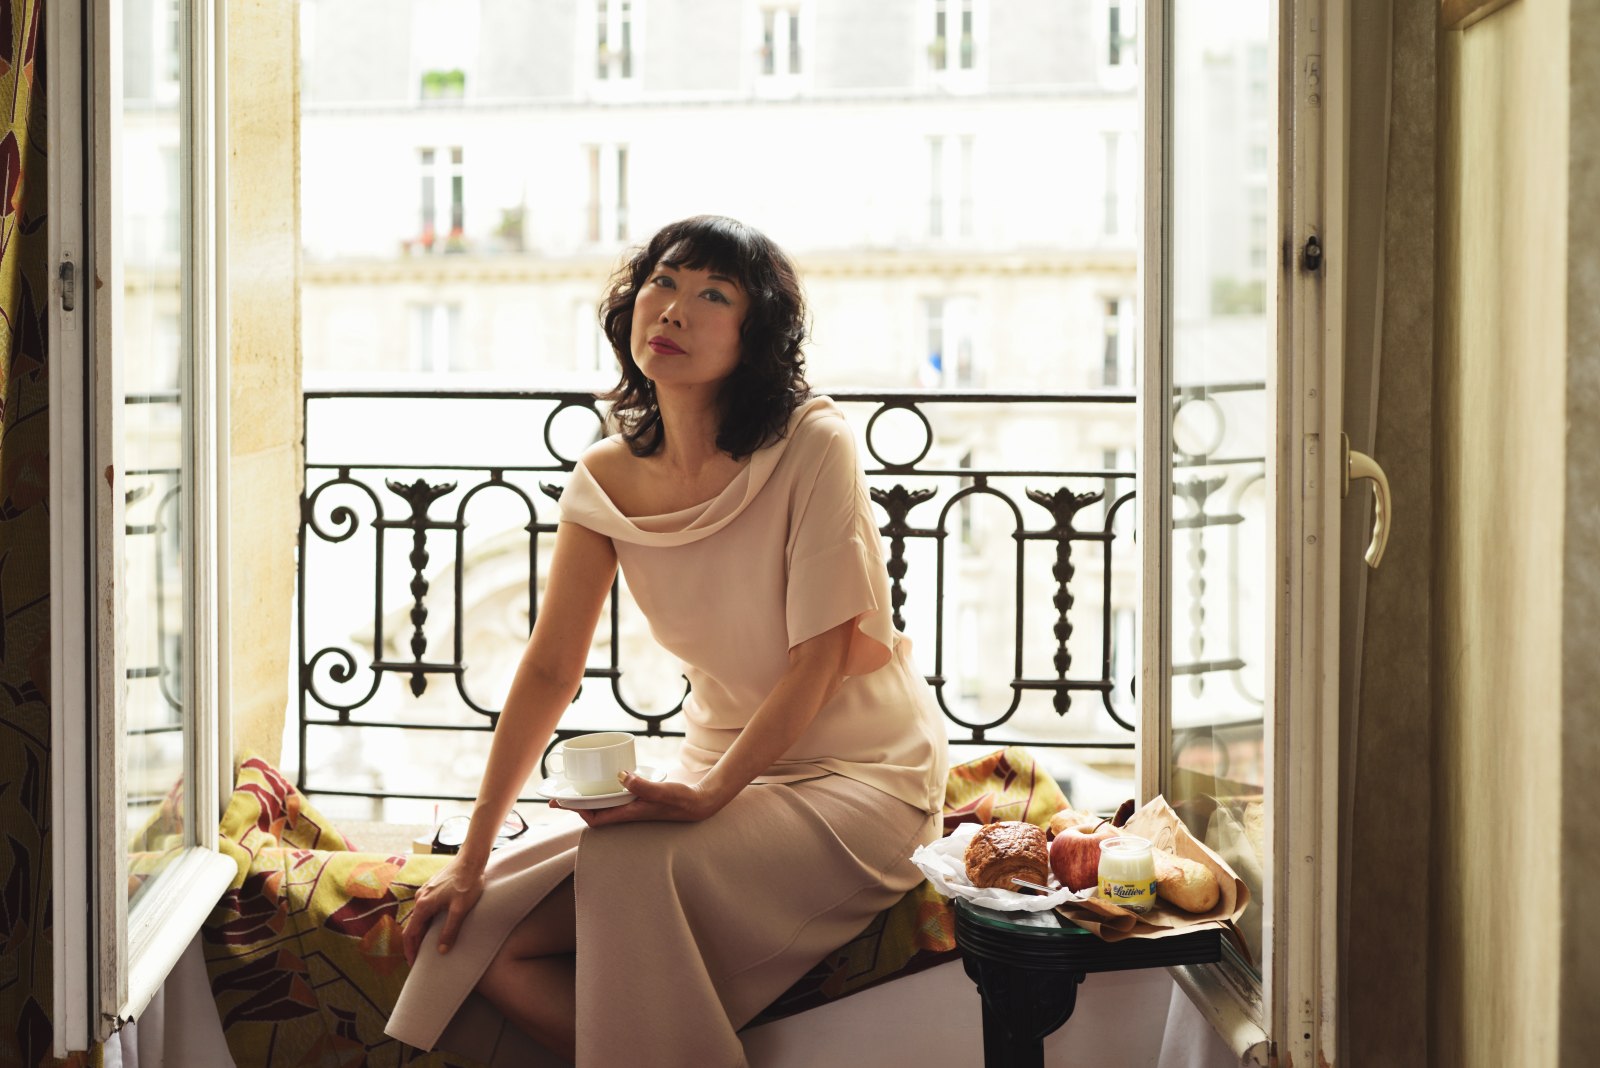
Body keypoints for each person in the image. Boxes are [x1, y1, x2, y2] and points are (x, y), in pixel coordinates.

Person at [385, 215, 949, 1068]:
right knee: (478, 935)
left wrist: (713, 793)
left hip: (863, 780)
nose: (675, 309)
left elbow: (821, 659)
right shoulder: (606, 476)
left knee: (627, 854)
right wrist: (470, 856)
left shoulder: (811, 445)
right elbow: (547, 669)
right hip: (717, 770)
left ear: (754, 334)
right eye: (663, 283)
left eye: (713, 293)